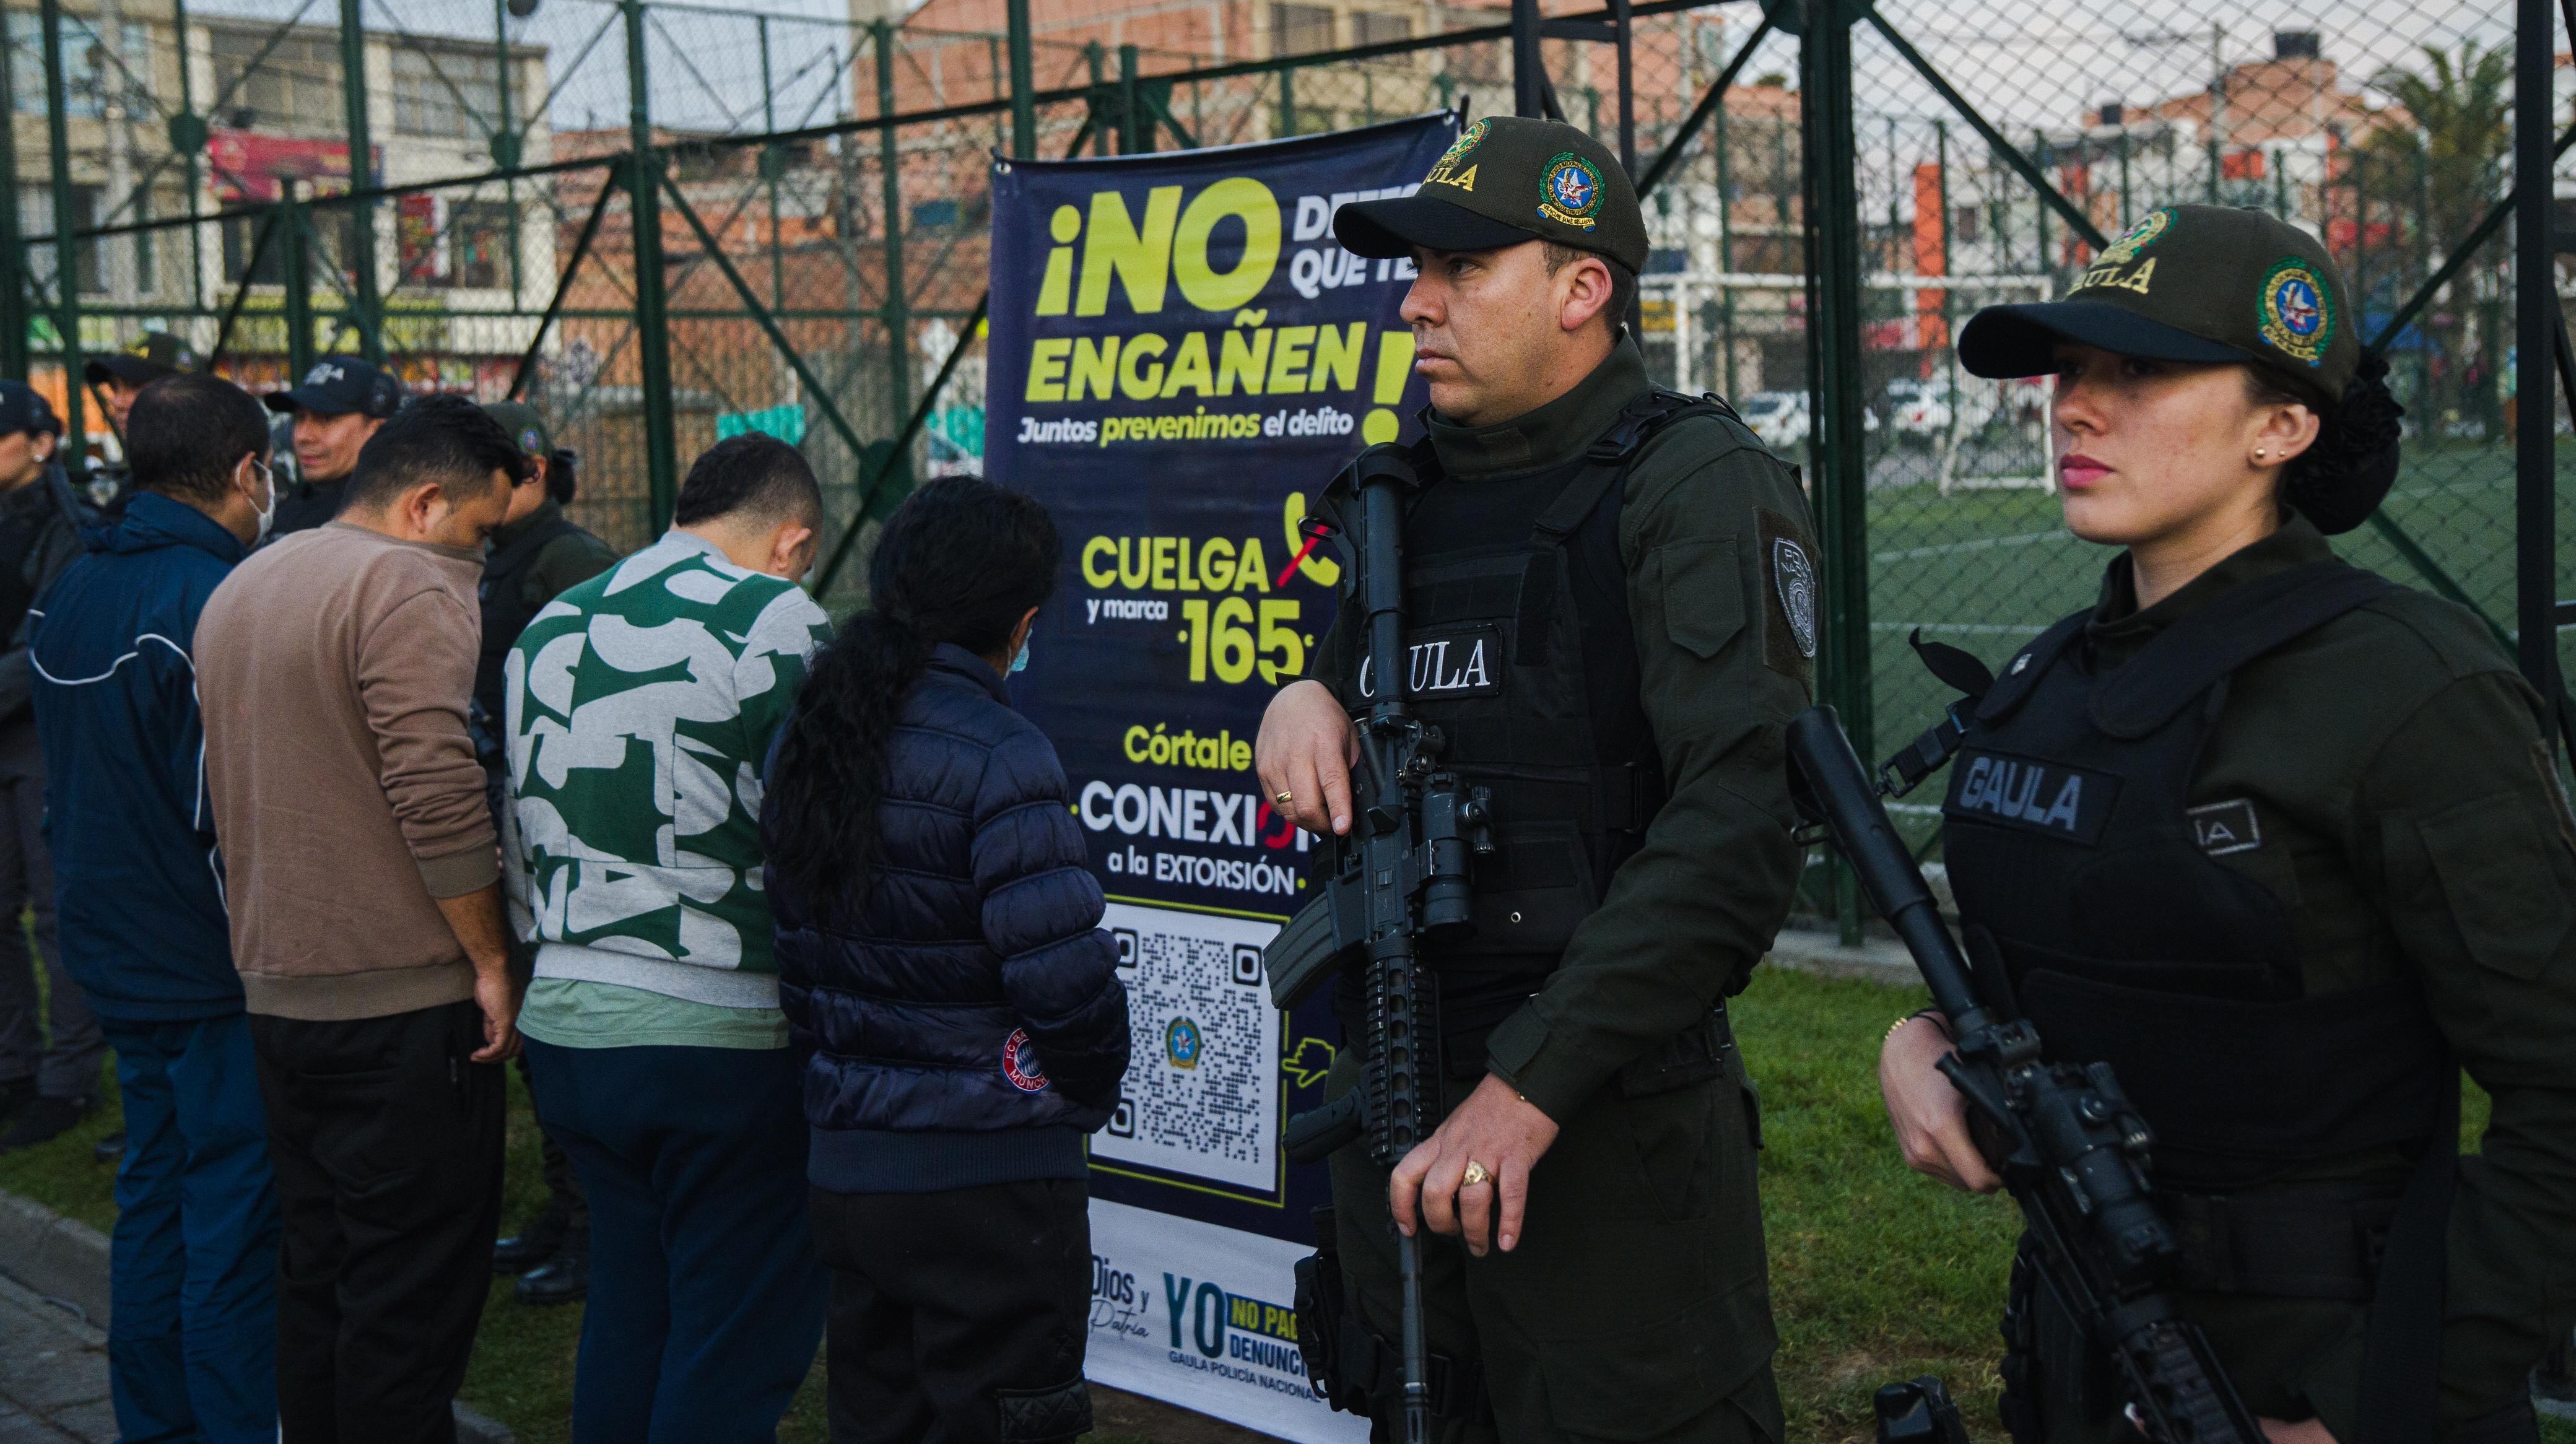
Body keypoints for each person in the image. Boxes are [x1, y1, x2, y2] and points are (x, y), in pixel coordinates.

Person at [1877, 204, 2576, 1443]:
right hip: (2079, 1353)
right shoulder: (2052, 683)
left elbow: (2560, 1089)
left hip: (2324, 1373)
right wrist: (1920, 1037)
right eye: (2072, 369)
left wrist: (2362, 1407)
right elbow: (2040, 978)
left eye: (2137, 371)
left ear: (2283, 424)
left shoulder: (2409, 689)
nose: (2075, 407)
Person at [1256, 118, 1818, 1443]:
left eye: (1462, 267)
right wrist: (1298, 694)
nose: (1417, 299)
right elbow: (1351, 679)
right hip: (1402, 1077)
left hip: (1596, 1124)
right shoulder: (1408, 489)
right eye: (1414, 268)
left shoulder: (1690, 482)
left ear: (1583, 291)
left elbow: (1739, 822)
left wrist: (1527, 1087)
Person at [765, 475, 1131, 1444]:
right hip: (987, 1190)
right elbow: (1063, 980)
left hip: (853, 1174)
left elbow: (798, 966)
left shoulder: (811, 733)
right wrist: (1084, 1090)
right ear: (1022, 618)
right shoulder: (1000, 748)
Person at [194, 393, 526, 1444]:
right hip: (402, 1001)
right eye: (481, 530)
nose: (483, 555)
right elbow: (434, 779)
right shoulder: (405, 581)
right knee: (406, 1309)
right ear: (427, 502)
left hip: (280, 995)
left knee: (321, 1274)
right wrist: (489, 958)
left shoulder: (247, 580)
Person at [505, 433, 831, 1444]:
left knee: (631, 1302)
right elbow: (821, 833)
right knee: (734, 1333)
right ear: (794, 539)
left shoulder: (550, 621)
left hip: (565, 1016)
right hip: (718, 1031)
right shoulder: (777, 615)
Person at [32, 373, 281, 1443]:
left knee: (154, 1199)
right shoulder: (211, 598)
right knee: (229, 1216)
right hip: (206, 963)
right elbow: (230, 810)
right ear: (245, 470)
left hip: (112, 947)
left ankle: (158, 1423)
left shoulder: (74, 586)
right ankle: (232, 1424)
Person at [474, 398, 614, 1306]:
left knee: (561, 1026)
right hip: (510, 807)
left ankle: (596, 1229)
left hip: (552, 814)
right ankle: (566, 1213)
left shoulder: (569, 560)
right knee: (532, 1027)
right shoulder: (500, 555)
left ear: (530, 473)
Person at [0, 378, 107, 1152]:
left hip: (41, 737)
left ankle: (66, 1081)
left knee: (56, 912)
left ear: (41, 441)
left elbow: (53, 642)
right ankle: (12, 1065)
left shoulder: (73, 525)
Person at [261, 352, 404, 539]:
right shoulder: (279, 508)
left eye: (326, 419)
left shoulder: (395, 516)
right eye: (300, 418)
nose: (303, 436)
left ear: (376, 429)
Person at [86, 331, 207, 513]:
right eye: (114, 387)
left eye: (134, 386)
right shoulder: (143, 478)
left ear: (186, 394)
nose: (116, 402)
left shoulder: (213, 485)